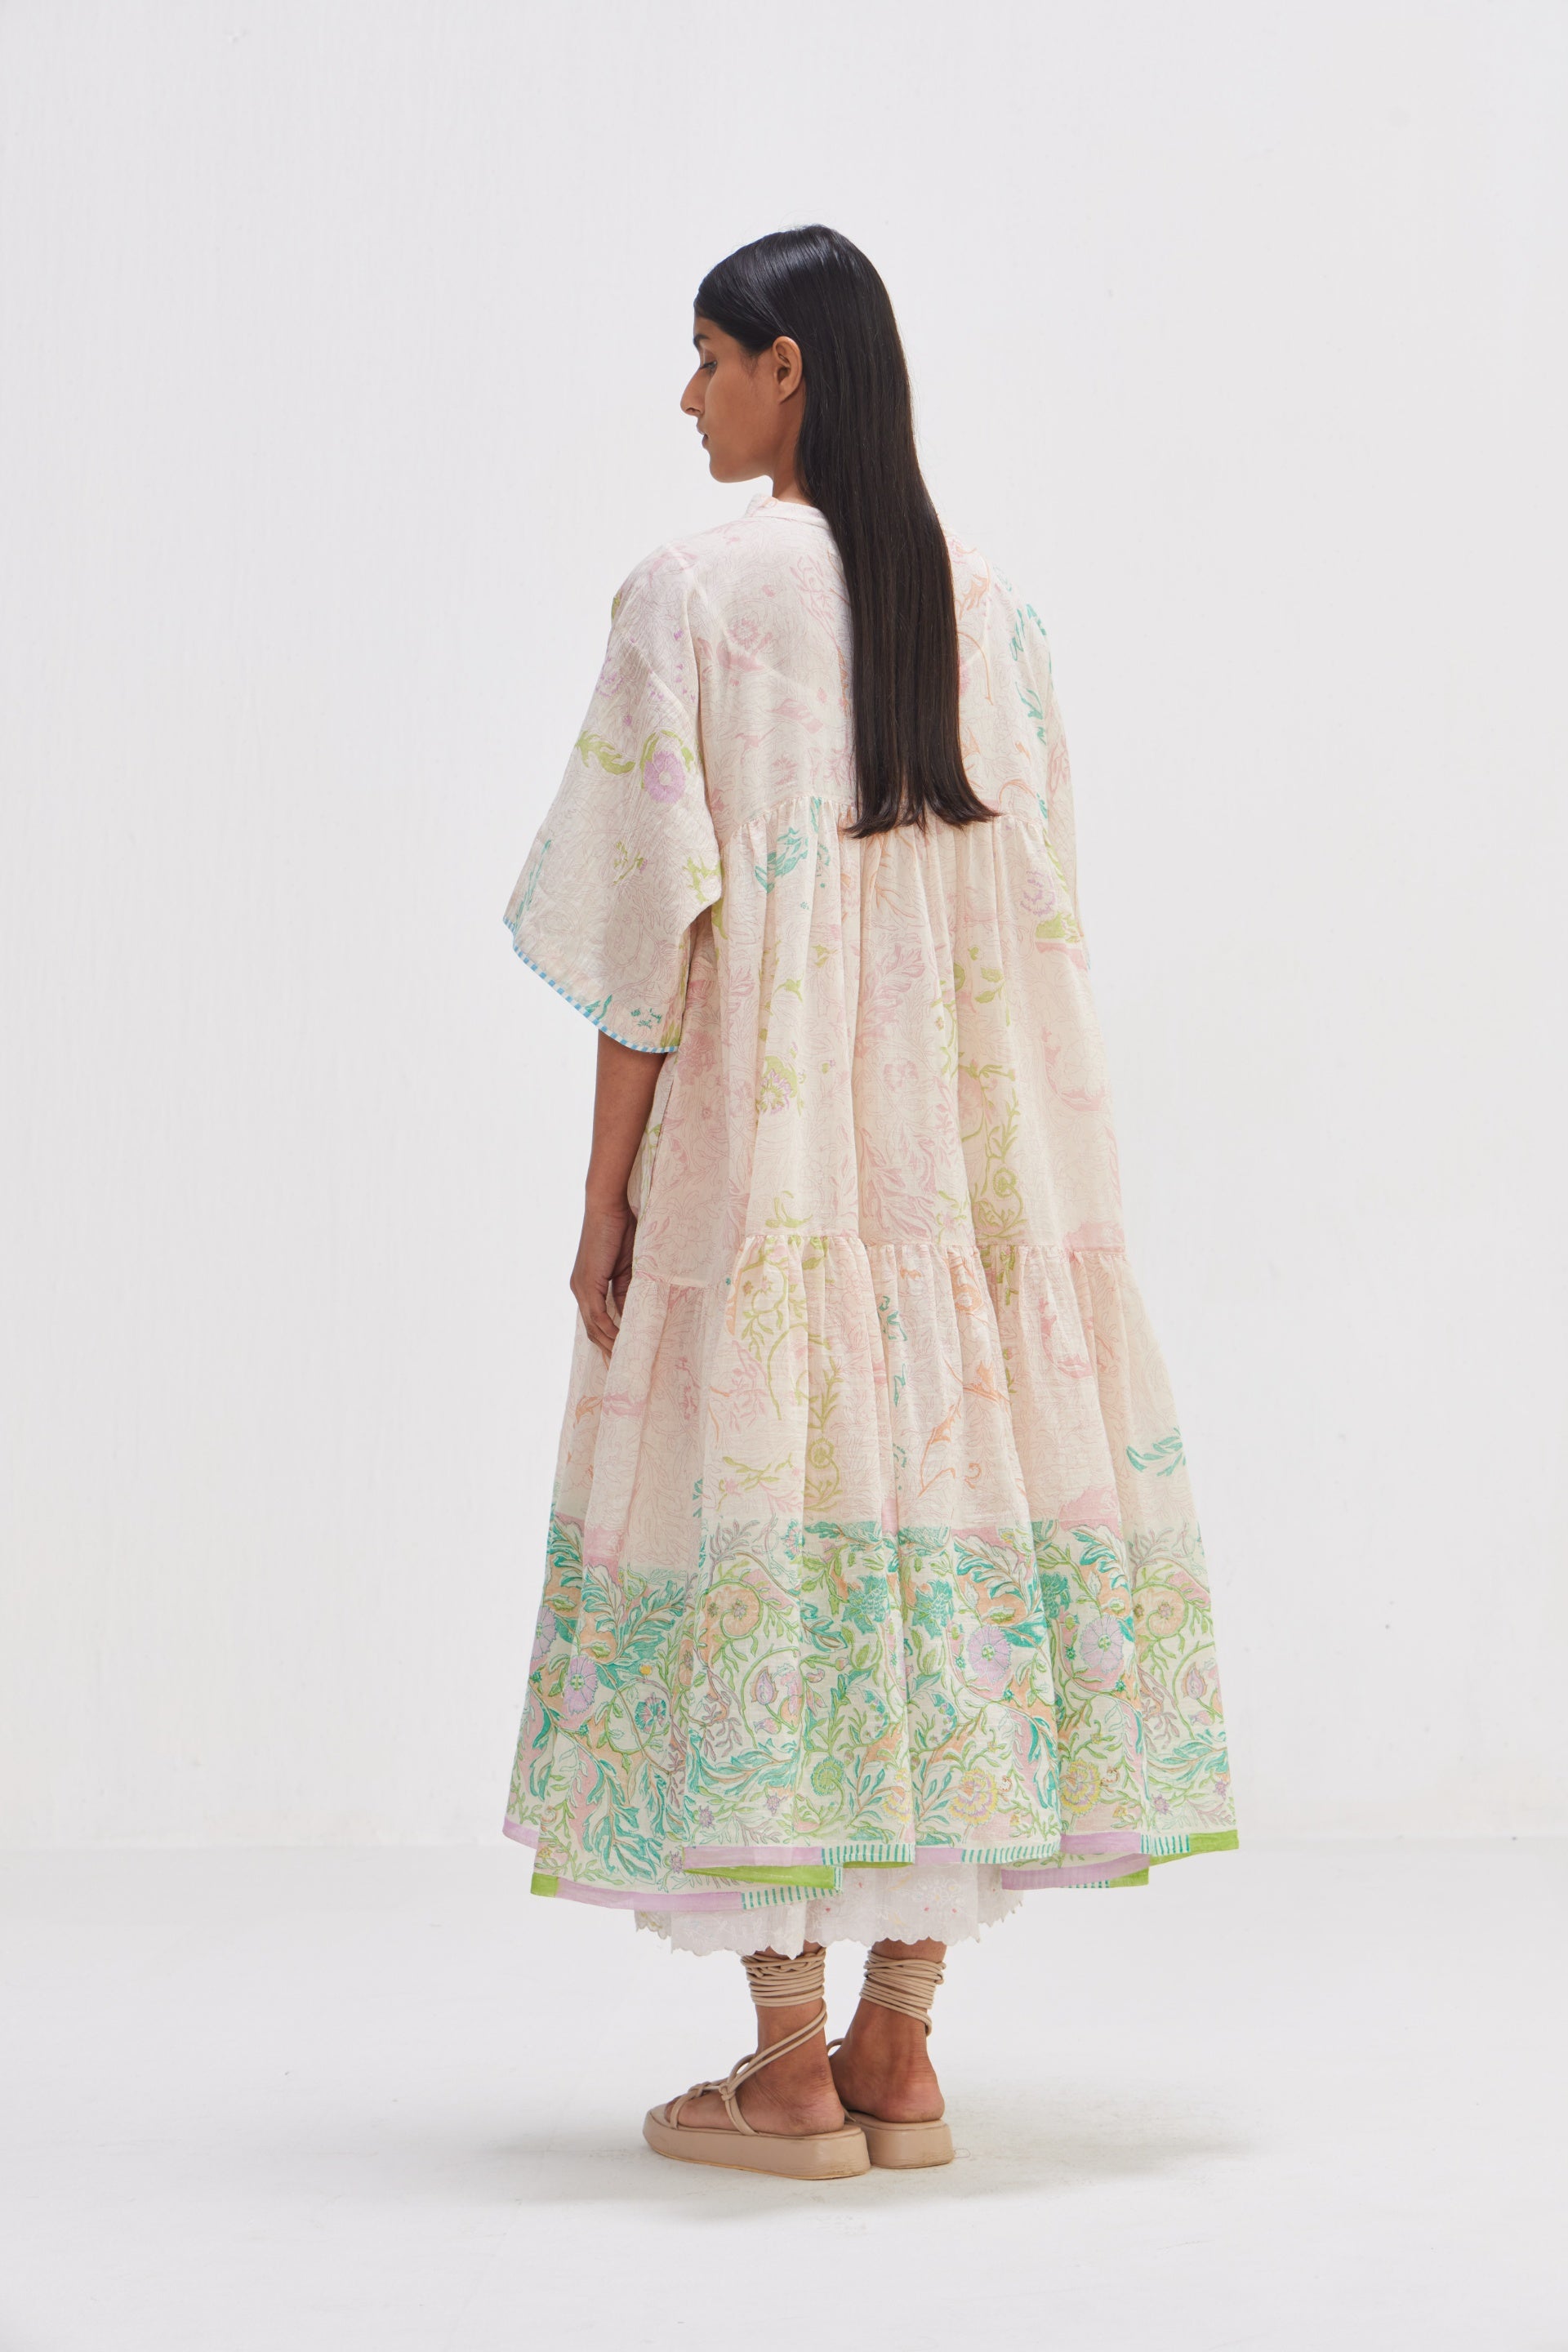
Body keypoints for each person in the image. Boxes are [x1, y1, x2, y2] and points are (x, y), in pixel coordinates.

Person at [499, 225, 1236, 2179]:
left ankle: (789, 2069)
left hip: (780, 1166)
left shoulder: (692, 599)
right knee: (936, 1529)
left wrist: (605, 1196)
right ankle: (901, 2047)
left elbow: (643, 942)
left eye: (709, 357)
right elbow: (1043, 918)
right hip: (974, 1172)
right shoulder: (993, 610)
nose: (688, 397)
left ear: (791, 370)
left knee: (771, 1519)